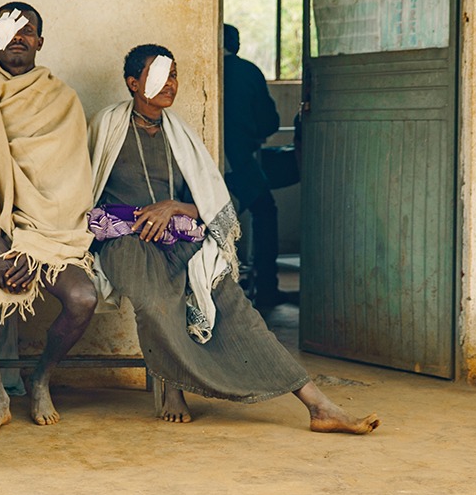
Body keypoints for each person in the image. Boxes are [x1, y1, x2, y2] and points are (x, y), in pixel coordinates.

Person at [88, 44, 378, 433]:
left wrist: (174, 206)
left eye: (174, 74)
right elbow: (83, 191)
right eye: (159, 75)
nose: (170, 83)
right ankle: (174, 387)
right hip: (126, 242)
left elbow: (210, 204)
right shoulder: (105, 127)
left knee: (237, 308)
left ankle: (319, 405)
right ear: (133, 82)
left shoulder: (182, 135)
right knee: (156, 305)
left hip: (178, 241)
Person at [0, 1, 98, 436]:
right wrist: (0, 245)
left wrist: (30, 245)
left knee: (83, 298)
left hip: (47, 233)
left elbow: (69, 187)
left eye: (27, 30)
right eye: (9, 31)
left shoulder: (63, 100)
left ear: (40, 42)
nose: (18, 37)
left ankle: (41, 377)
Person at [222, 23, 286, 308]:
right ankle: (267, 286)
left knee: (215, 224)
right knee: (265, 213)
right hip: (241, 163)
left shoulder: (196, 68)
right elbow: (269, 121)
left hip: (206, 163)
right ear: (235, 45)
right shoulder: (247, 72)